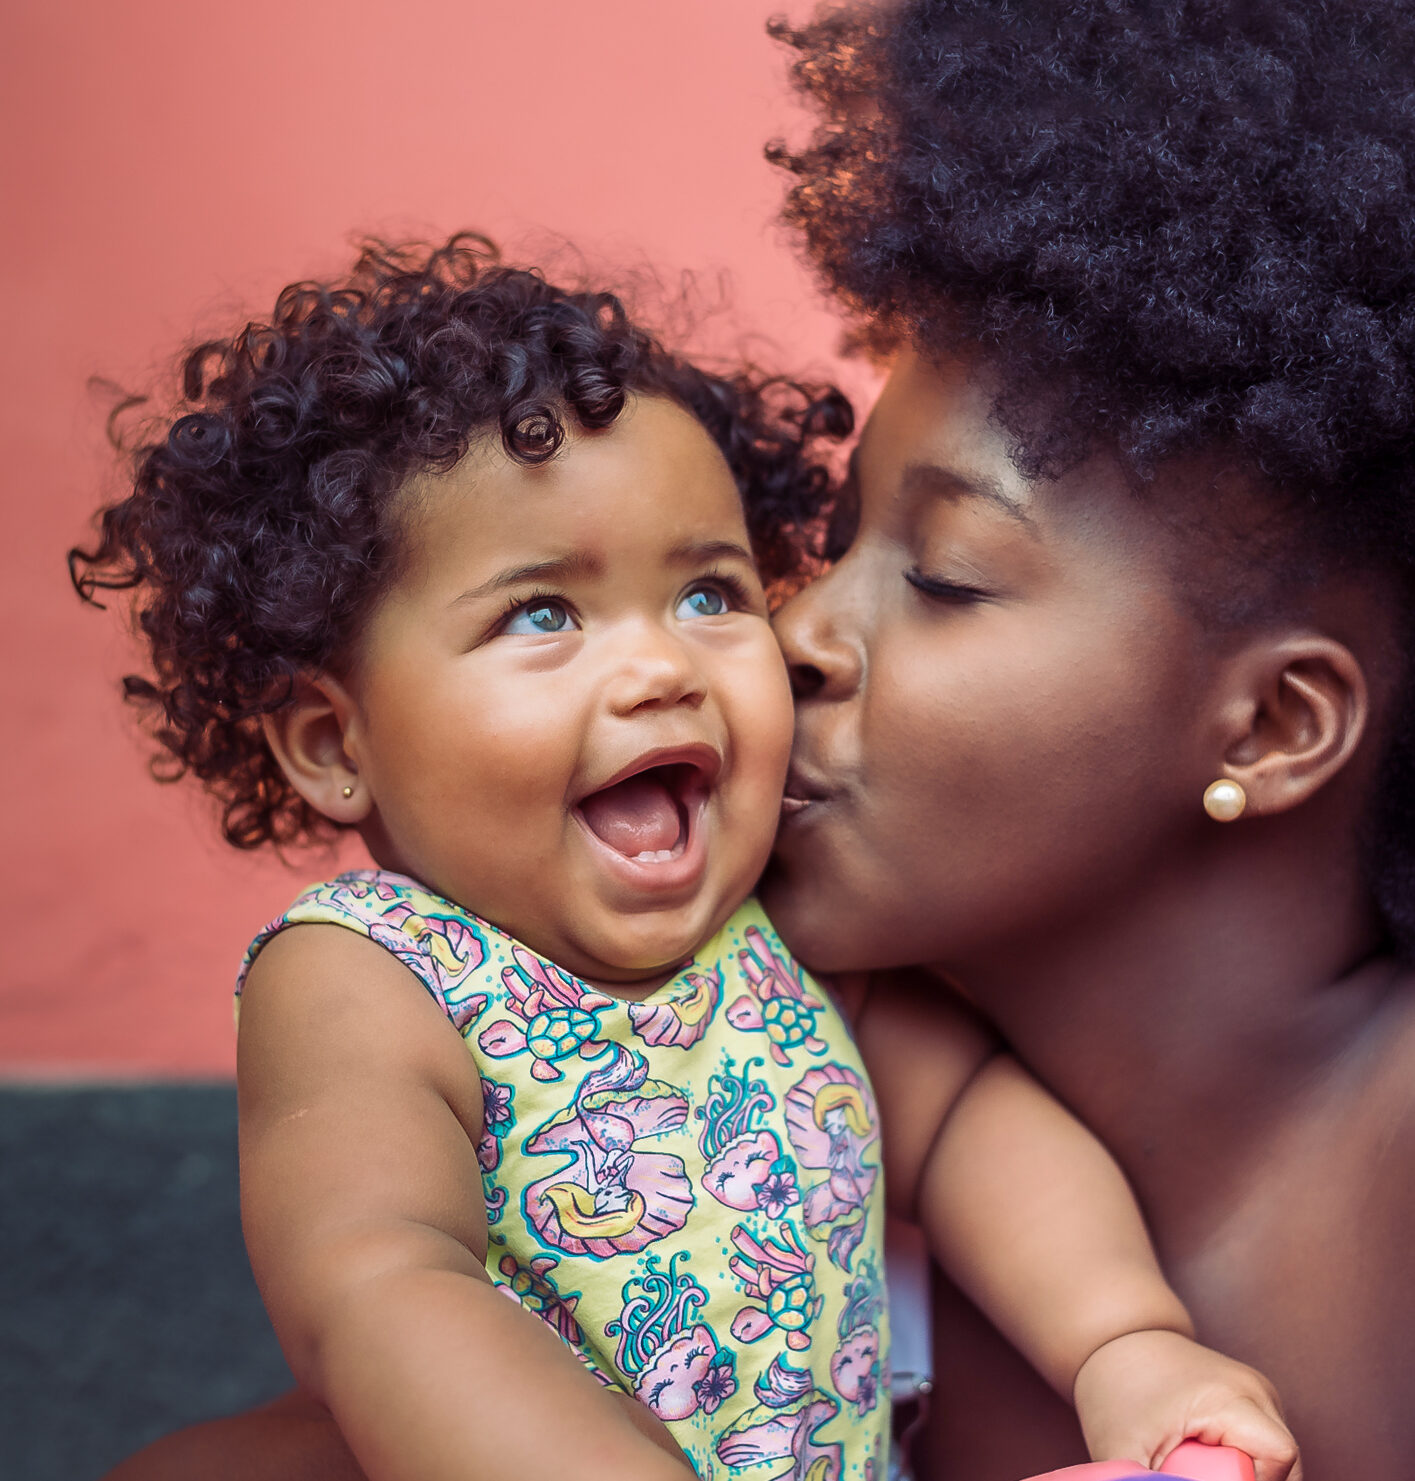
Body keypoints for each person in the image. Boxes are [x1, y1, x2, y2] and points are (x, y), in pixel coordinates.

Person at [73, 238, 1298, 1481]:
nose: (662, 665)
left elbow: (969, 1126)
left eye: (710, 595)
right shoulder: (372, 976)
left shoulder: (768, 939)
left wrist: (1122, 1341)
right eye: (542, 613)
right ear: (336, 744)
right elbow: (382, 1278)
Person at [758, 1, 1415, 1477]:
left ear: (1270, 724)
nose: (791, 633)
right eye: (835, 542)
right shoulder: (785, 1110)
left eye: (941, 576)